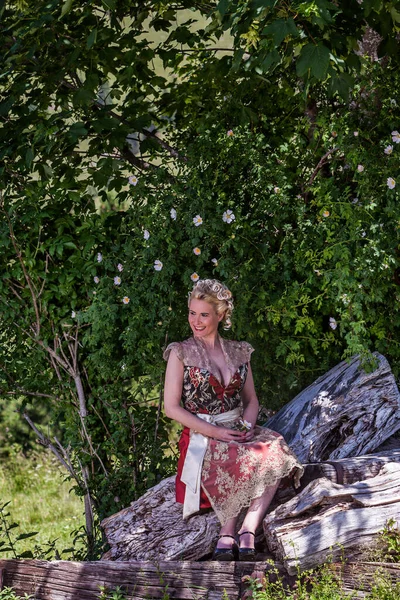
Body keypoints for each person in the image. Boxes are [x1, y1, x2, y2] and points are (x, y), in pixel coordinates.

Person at [163, 279, 303, 561]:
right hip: (203, 434)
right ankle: (227, 530)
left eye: (204, 314)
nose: (196, 321)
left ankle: (249, 527)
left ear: (221, 315)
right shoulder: (180, 352)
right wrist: (216, 431)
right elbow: (171, 408)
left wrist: (247, 428)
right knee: (240, 456)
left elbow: (252, 401)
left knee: (272, 446)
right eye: (192, 313)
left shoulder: (240, 352)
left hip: (237, 428)